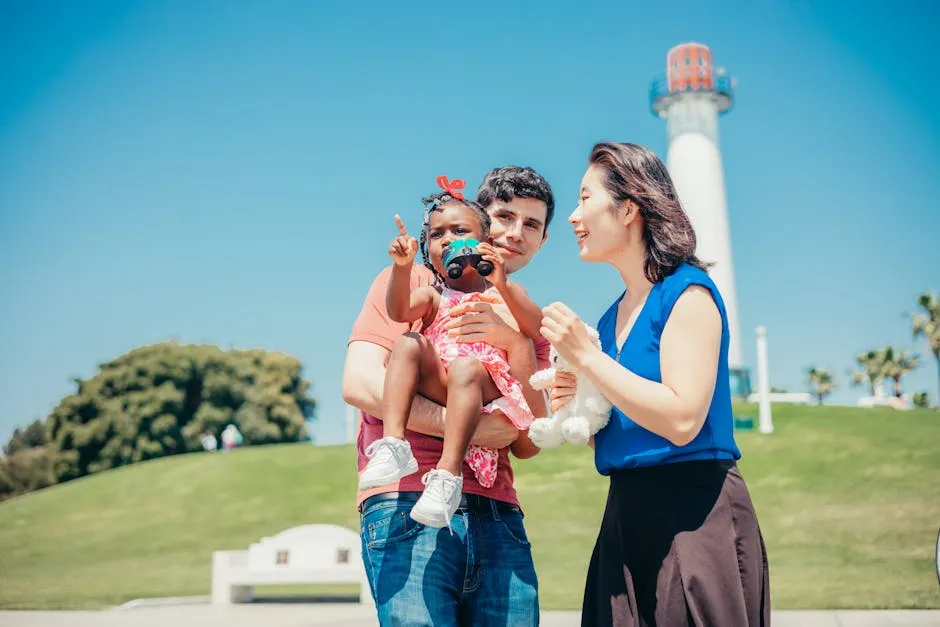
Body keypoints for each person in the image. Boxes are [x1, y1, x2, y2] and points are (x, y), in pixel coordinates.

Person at [543, 142, 770, 626]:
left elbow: (682, 418)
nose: (573, 217)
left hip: (695, 515)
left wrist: (588, 359)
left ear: (628, 209)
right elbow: (627, 429)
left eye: (586, 199)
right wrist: (581, 413)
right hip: (625, 516)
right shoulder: (607, 323)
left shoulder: (686, 293)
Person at [343, 166, 555, 626]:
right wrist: (474, 429)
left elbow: (529, 441)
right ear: (483, 221)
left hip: (498, 512)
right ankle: (405, 455)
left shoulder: (522, 315)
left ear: (542, 240)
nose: (515, 233)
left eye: (532, 224)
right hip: (406, 502)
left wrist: (515, 344)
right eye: (504, 217)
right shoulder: (414, 280)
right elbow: (359, 384)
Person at [358, 180, 545, 530]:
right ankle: (394, 445)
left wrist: (501, 281)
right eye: (436, 234)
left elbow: (536, 327)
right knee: (409, 342)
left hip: (485, 384)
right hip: (446, 381)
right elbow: (399, 311)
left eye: (459, 231)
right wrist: (401, 267)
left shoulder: (505, 290)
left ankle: (447, 474)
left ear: (487, 243)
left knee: (466, 368)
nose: (447, 240)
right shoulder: (433, 293)